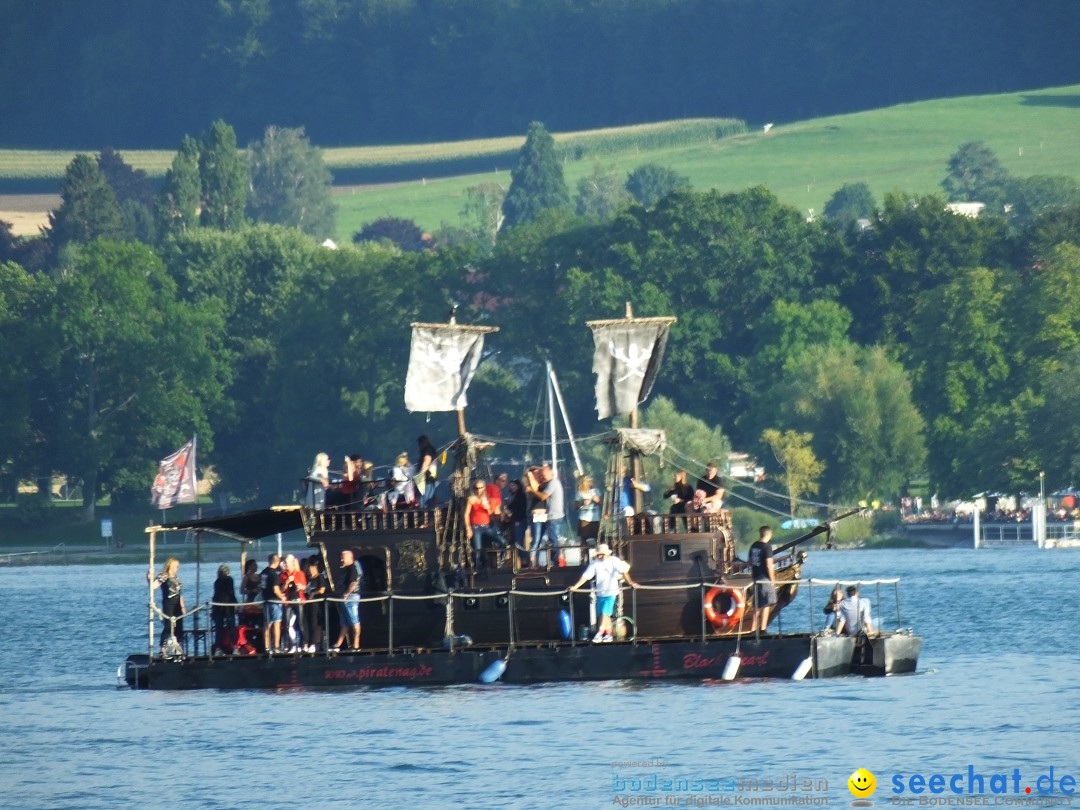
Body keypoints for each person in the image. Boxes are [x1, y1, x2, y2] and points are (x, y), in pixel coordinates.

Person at [569, 543, 639, 643]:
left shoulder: (614, 561)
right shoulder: (594, 563)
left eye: (601, 554)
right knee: (604, 615)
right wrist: (575, 587)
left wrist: (631, 582)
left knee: (604, 612)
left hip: (611, 592)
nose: (600, 556)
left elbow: (624, 572)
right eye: (598, 554)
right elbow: (586, 576)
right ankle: (609, 634)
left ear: (607, 554)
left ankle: (600, 633)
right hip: (600, 593)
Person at [466, 478, 505, 572]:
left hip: (487, 527)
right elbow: (466, 514)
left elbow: (491, 512)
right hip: (476, 527)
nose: (478, 490)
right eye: (476, 488)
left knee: (503, 541)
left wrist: (487, 506)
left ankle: (501, 561)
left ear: (484, 488)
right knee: (477, 550)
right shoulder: (471, 499)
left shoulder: (487, 499)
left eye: (480, 488)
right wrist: (468, 528)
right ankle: (477, 569)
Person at [149, 558, 185, 655]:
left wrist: (183, 606)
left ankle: (179, 646)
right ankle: (162, 648)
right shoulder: (164, 576)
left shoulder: (176, 577)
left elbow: (179, 593)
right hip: (168, 603)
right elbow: (153, 586)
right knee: (169, 625)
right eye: (176, 566)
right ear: (171, 566)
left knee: (179, 626)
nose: (177, 568)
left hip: (177, 603)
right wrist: (149, 577)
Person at [332, 549, 362, 652]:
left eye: (343, 558)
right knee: (344, 622)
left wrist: (346, 594)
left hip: (351, 597)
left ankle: (356, 645)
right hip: (345, 598)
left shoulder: (353, 568)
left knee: (354, 620)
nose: (341, 559)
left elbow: (353, 583)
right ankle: (337, 644)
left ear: (350, 558)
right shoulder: (345, 568)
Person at [748, 526, 777, 633]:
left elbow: (750, 562)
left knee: (757, 605)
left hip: (755, 577)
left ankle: (753, 629)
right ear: (769, 534)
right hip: (765, 578)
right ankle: (763, 629)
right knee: (766, 604)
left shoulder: (754, 546)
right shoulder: (767, 547)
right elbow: (769, 565)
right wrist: (773, 580)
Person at [279, 554, 307, 652]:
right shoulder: (282, 575)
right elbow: (281, 589)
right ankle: (288, 645)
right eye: (284, 563)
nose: (285, 565)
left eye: (287, 563)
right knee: (286, 623)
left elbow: (304, 587)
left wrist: (300, 586)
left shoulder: (300, 573)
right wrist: (287, 582)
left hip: (298, 599)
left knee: (300, 623)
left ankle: (303, 644)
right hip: (288, 601)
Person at [303, 556, 329, 652]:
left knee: (314, 623)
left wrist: (313, 593)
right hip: (307, 604)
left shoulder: (319, 577)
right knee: (307, 623)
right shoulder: (308, 579)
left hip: (316, 604)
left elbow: (322, 590)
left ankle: (314, 643)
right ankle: (307, 642)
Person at [261, 553, 285, 653]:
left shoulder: (263, 572)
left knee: (267, 624)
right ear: (277, 562)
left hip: (266, 601)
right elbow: (276, 589)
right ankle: (276, 646)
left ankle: (266, 647)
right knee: (276, 624)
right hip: (274, 601)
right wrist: (282, 597)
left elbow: (262, 586)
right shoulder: (274, 574)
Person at [211, 564, 237, 655]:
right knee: (231, 627)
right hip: (228, 606)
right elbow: (231, 592)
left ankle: (218, 647)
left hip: (218, 607)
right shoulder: (229, 579)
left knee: (219, 628)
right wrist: (235, 603)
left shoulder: (217, 581)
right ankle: (234, 647)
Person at [506, 478, 530, 566]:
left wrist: (517, 520)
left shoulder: (521, 496)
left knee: (519, 542)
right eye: (511, 486)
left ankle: (525, 561)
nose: (512, 487)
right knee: (515, 542)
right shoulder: (513, 496)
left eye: (513, 485)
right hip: (513, 522)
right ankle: (518, 561)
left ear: (518, 486)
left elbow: (521, 510)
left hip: (520, 521)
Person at [575, 474, 601, 544]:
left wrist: (595, 499)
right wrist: (583, 503)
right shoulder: (579, 493)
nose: (590, 482)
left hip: (595, 519)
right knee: (584, 539)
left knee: (597, 538)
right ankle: (584, 553)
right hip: (584, 519)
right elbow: (576, 507)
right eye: (588, 480)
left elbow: (601, 502)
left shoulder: (596, 491)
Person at [416, 435, 439, 506]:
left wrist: (420, 475)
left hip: (427, 479)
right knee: (426, 498)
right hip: (428, 479)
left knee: (425, 499)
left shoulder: (428, 450)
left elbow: (427, 461)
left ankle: (425, 513)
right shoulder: (428, 450)